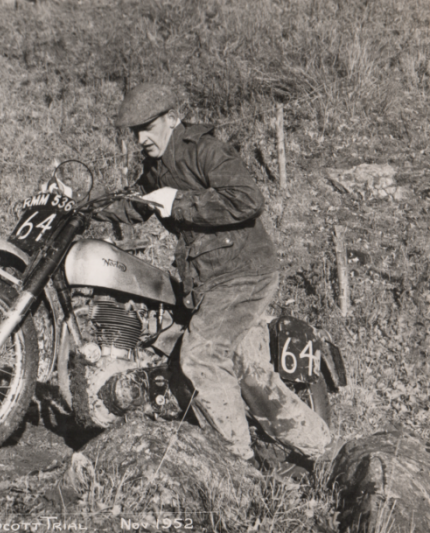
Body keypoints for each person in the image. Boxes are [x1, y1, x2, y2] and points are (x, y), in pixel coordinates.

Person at [103, 83, 332, 463]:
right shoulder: (156, 168)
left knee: (202, 357)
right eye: (134, 132)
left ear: (172, 118)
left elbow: (247, 199)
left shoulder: (204, 150)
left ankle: (235, 466)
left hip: (243, 273)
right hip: (210, 283)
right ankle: (323, 449)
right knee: (250, 374)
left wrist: (180, 202)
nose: (141, 139)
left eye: (147, 127)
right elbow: (132, 207)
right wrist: (73, 205)